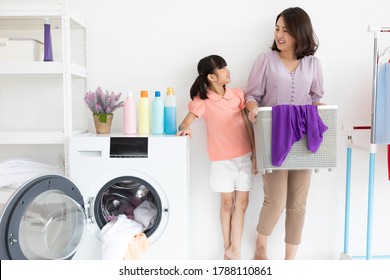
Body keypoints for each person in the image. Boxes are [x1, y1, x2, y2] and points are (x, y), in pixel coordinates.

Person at [245, 7, 325, 260]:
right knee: (276, 201)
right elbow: (252, 95)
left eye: (286, 30)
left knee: (298, 202)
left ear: (299, 33)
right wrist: (252, 108)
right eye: (277, 29)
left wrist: (324, 112)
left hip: (303, 137)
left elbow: (316, 98)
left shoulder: (313, 63)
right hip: (274, 136)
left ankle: (290, 261)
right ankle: (260, 245)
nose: (280, 35)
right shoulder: (265, 60)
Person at [177, 55, 258, 260]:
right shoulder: (202, 102)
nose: (227, 70)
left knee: (242, 204)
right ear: (212, 77)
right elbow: (184, 124)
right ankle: (228, 247)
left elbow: (247, 125)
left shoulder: (238, 95)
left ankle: (235, 249)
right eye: (222, 68)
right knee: (226, 204)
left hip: (244, 157)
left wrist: (255, 154)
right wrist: (185, 130)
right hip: (222, 161)